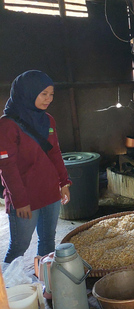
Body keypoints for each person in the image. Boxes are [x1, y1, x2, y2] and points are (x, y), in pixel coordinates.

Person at [0, 70, 72, 263]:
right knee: (19, 247)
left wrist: (63, 182)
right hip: (25, 197)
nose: (48, 99)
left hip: (50, 192)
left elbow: (55, 152)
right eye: (43, 94)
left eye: (51, 95)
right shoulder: (7, 125)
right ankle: (8, 291)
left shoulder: (47, 120)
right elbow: (7, 167)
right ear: (28, 92)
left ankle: (46, 286)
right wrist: (20, 201)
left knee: (48, 241)